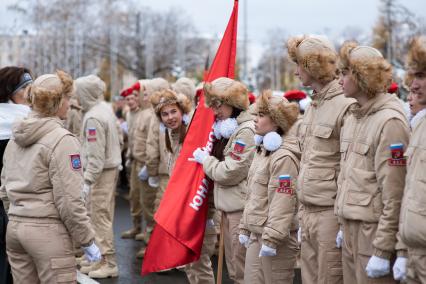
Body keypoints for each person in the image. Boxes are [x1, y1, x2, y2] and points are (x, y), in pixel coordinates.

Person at [0, 70, 101, 283]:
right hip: (47, 233)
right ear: (57, 101)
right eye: (68, 97)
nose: (70, 103)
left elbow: (5, 189)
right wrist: (87, 240)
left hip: (16, 228)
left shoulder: (15, 138)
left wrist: (19, 216)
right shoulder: (62, 140)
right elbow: (70, 201)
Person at [334, 41, 410, 283]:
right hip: (350, 231)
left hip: (372, 235)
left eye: (345, 73)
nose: (339, 81)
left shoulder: (390, 122)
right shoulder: (354, 118)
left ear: (362, 76)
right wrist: (342, 224)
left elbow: (394, 194)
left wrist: (383, 249)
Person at [287, 34, 355, 284]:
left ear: (312, 66)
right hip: (309, 211)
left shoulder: (344, 104)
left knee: (329, 279)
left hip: (330, 215)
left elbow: (349, 166)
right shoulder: (314, 106)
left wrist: (340, 221)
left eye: (299, 65)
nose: (295, 72)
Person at [190, 77, 256, 284]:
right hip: (229, 207)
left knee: (241, 270)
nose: (215, 111)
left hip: (240, 209)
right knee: (235, 269)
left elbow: (229, 172)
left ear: (233, 103)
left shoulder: (244, 131)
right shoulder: (230, 129)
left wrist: (206, 160)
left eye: (218, 105)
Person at [239, 90, 300, 284]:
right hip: (258, 235)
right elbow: (253, 196)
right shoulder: (263, 150)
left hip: (275, 240)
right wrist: (245, 227)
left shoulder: (283, 156)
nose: (255, 119)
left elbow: (282, 202)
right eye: (255, 114)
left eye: (261, 115)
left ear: (277, 121)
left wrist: (272, 239)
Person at [75, 75, 122, 278]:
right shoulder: (104, 108)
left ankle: (108, 262)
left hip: (101, 172)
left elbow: (95, 154)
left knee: (99, 216)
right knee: (99, 214)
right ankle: (96, 258)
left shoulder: (93, 116)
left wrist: (87, 180)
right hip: (108, 169)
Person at [395, 36, 426, 283]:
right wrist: (403, 250)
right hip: (415, 248)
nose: (413, 86)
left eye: (422, 76)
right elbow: (410, 190)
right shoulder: (420, 125)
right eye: (414, 76)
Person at [0, 66, 33, 284]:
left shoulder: (29, 119)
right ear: (11, 92)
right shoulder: (22, 122)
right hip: (13, 201)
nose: (32, 92)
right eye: (26, 87)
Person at [135, 78, 169, 257]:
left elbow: (154, 146)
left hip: (156, 168)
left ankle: (155, 246)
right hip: (148, 165)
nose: (144, 95)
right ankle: (151, 240)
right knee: (148, 206)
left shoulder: (155, 114)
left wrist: (151, 170)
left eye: (148, 91)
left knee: (155, 209)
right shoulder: (147, 112)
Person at [120, 86, 143, 239]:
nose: (130, 101)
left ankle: (147, 231)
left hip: (143, 160)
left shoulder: (144, 114)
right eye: (128, 99)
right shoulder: (128, 115)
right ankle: (136, 226)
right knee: (134, 195)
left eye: (133, 98)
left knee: (145, 197)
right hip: (133, 159)